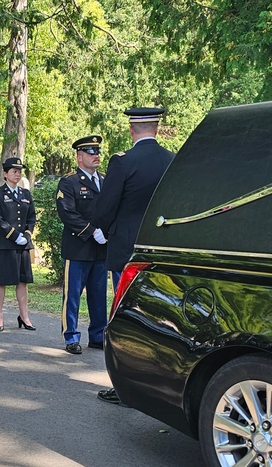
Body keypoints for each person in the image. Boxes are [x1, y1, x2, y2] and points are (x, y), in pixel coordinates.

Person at [92, 107, 175, 404]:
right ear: (156, 128)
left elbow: (104, 208)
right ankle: (158, 384)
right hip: (161, 251)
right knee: (159, 319)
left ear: (132, 130)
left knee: (127, 318)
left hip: (129, 252)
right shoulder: (172, 160)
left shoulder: (123, 162)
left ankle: (126, 386)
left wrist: (109, 228)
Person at [56, 135, 109, 355]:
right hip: (78, 248)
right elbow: (67, 213)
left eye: (97, 152)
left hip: (101, 248)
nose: (96, 156)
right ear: (79, 157)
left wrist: (107, 231)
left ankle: (98, 336)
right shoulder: (69, 182)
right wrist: (91, 231)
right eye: (90, 152)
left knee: (99, 295)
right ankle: (71, 336)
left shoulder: (105, 180)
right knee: (73, 295)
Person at [0, 157, 37, 332]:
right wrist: (14, 235)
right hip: (4, 243)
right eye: (14, 171)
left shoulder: (25, 194)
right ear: (5, 174)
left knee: (22, 282)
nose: (17, 174)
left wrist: (26, 234)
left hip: (22, 244)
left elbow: (31, 217)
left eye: (19, 171)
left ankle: (24, 316)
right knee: (0, 282)